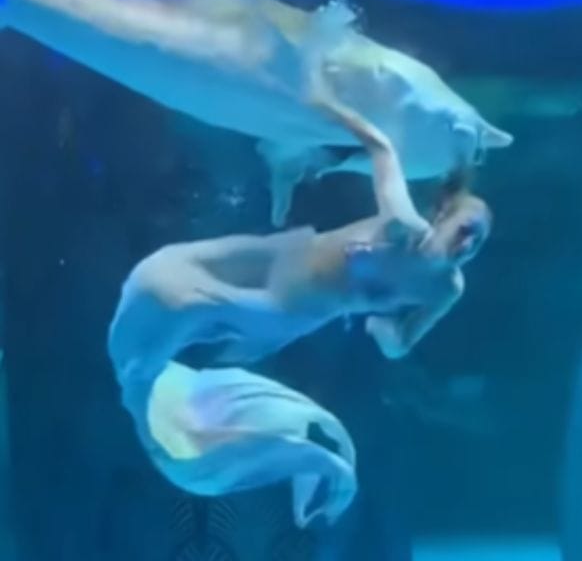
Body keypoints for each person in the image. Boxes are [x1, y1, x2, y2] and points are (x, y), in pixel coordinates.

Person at [106, 82, 492, 527]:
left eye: (479, 241)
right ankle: (149, 381)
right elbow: (381, 148)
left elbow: (399, 343)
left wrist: (383, 330)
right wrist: (329, 106)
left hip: (294, 308)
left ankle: (164, 412)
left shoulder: (445, 287)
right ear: (441, 215)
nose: (468, 244)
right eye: (466, 229)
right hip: (284, 257)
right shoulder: (404, 228)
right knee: (168, 277)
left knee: (191, 313)